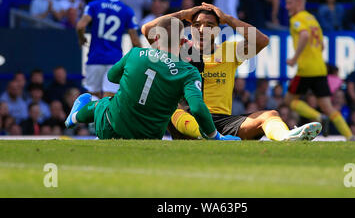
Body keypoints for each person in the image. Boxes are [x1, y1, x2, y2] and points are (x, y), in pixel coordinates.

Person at [142, 2, 321, 141]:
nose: (202, 30)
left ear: (218, 30)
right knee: (173, 110)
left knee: (270, 115)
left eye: (210, 25)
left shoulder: (229, 51)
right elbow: (148, 30)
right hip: (189, 119)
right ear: (190, 28)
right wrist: (183, 14)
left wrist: (228, 19)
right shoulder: (178, 49)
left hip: (223, 122)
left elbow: (262, 41)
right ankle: (206, 135)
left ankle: (286, 137)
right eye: (197, 25)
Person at [65, 16, 240, 141]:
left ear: (156, 38)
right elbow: (197, 107)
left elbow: (112, 77)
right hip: (148, 137)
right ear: (181, 43)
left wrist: (135, 78)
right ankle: (76, 117)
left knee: (103, 103)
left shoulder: (135, 53)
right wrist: (215, 136)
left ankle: (74, 118)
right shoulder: (188, 71)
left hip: (110, 128)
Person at [283, 0, 354, 141]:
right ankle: (350, 137)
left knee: (289, 101)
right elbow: (322, 46)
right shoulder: (312, 19)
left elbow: (304, 35)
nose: (287, 6)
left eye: (290, 3)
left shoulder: (297, 18)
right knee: (329, 107)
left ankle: (318, 116)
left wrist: (294, 59)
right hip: (320, 69)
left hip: (305, 69)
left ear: (299, 2)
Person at [76, 0, 142, 99]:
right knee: (110, 97)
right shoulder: (126, 10)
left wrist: (81, 38)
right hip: (114, 60)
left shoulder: (93, 5)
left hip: (95, 58)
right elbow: (135, 40)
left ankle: (91, 119)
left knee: (92, 97)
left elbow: (80, 26)